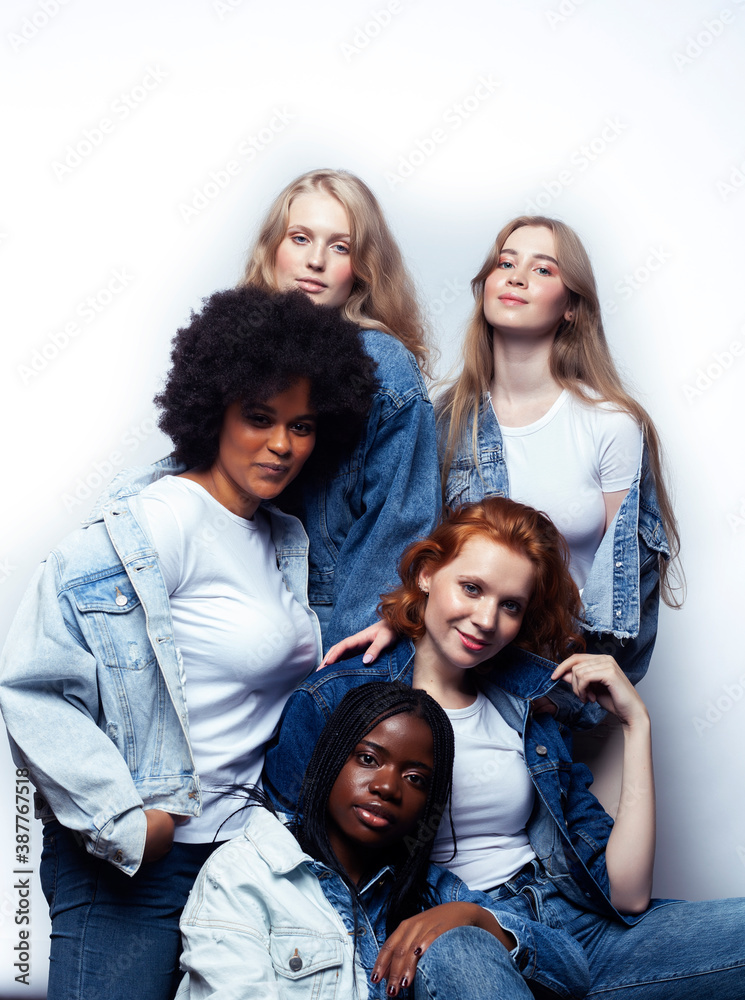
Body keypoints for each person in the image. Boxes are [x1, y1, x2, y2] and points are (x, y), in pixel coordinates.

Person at [0, 286, 377, 1000]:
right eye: (259, 418)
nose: (282, 445)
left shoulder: (284, 539)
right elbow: (35, 682)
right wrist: (126, 822)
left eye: (301, 426)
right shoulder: (162, 521)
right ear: (212, 411)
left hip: (243, 856)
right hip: (142, 861)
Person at [265, 498, 745, 999]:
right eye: (471, 588)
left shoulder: (527, 705)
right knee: (460, 952)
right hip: (450, 936)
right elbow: (288, 853)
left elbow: (626, 894)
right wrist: (473, 917)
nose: (485, 619)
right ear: (427, 574)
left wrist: (636, 724)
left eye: (510, 605)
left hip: (570, 928)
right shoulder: (339, 698)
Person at [330, 216, 681, 725]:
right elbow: (418, 545)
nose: (517, 276)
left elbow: (631, 588)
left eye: (543, 269)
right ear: (486, 287)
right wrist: (395, 619)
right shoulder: (444, 419)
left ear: (572, 306)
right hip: (456, 684)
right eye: (506, 263)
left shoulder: (612, 424)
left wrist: (573, 700)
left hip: (561, 693)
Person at [176, 681, 591, 999]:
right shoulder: (244, 873)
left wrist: (476, 917)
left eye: (415, 779)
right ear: (331, 759)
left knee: (462, 944)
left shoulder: (428, 890)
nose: (388, 788)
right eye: (368, 759)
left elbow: (574, 971)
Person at [240, 168, 441, 650]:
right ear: (272, 248)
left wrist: (340, 671)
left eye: (340, 247)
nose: (315, 261)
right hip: (236, 611)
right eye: (300, 238)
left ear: (363, 267)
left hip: (328, 620)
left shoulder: (382, 365)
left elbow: (396, 525)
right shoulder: (234, 345)